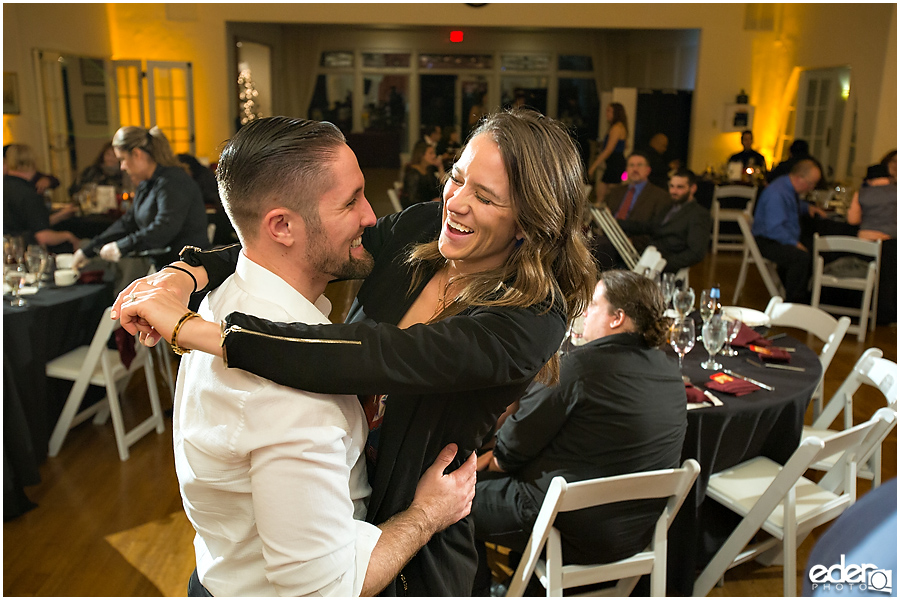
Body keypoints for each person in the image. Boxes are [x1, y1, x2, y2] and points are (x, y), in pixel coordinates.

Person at [113, 108, 596, 596]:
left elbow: (382, 354)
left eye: (486, 197)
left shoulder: (532, 318)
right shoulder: (425, 229)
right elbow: (303, 240)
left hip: (414, 530)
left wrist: (199, 332)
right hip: (330, 507)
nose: (456, 202)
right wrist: (184, 273)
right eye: (457, 177)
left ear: (529, 223)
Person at [163, 117, 475, 597]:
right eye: (350, 201)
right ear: (282, 226)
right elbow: (322, 590)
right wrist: (427, 513)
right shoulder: (288, 389)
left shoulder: (226, 297)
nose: (371, 217)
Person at [471, 270, 687, 595]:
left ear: (617, 318)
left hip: (569, 529)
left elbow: (512, 450)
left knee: (450, 506)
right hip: (636, 531)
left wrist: (493, 459)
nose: (585, 311)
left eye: (594, 304)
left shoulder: (580, 367)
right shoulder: (670, 370)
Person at [72, 126, 209, 270]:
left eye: (122, 159)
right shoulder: (147, 184)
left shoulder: (174, 181)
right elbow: (127, 223)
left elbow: (164, 228)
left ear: (137, 154)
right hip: (166, 267)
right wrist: (88, 250)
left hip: (189, 270)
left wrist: (121, 246)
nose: (122, 167)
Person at [751, 159, 827, 303]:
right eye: (810, 183)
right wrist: (794, 243)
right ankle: (794, 301)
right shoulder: (777, 193)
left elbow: (791, 206)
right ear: (799, 178)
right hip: (769, 240)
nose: (811, 188)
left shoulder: (786, 188)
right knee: (801, 257)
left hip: (776, 236)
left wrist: (807, 207)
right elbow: (774, 228)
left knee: (813, 247)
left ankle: (809, 295)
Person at [630, 168, 711, 273]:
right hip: (648, 257)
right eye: (671, 186)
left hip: (664, 265)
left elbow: (696, 253)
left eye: (680, 187)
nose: (674, 191)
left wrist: (662, 263)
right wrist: (618, 223)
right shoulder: (668, 207)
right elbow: (650, 227)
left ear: (693, 188)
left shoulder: (699, 214)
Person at [3, 144, 81, 251]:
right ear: (32, 163)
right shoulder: (29, 194)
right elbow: (43, 236)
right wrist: (68, 236)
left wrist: (61, 215)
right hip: (27, 252)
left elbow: (30, 223)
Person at [846, 162, 896, 325]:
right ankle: (884, 317)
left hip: (864, 244)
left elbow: (852, 219)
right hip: (889, 244)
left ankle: (858, 311)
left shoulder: (861, 193)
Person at [588, 102, 628, 202]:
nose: (607, 113)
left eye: (609, 111)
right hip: (613, 162)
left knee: (608, 193)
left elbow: (609, 149)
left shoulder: (617, 128)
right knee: (603, 192)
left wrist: (594, 166)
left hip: (615, 163)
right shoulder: (618, 127)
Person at [400, 140, 443, 208]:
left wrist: (440, 166)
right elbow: (412, 201)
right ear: (421, 155)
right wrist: (430, 203)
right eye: (431, 153)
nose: (434, 156)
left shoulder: (428, 170)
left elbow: (440, 188)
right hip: (418, 212)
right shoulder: (413, 174)